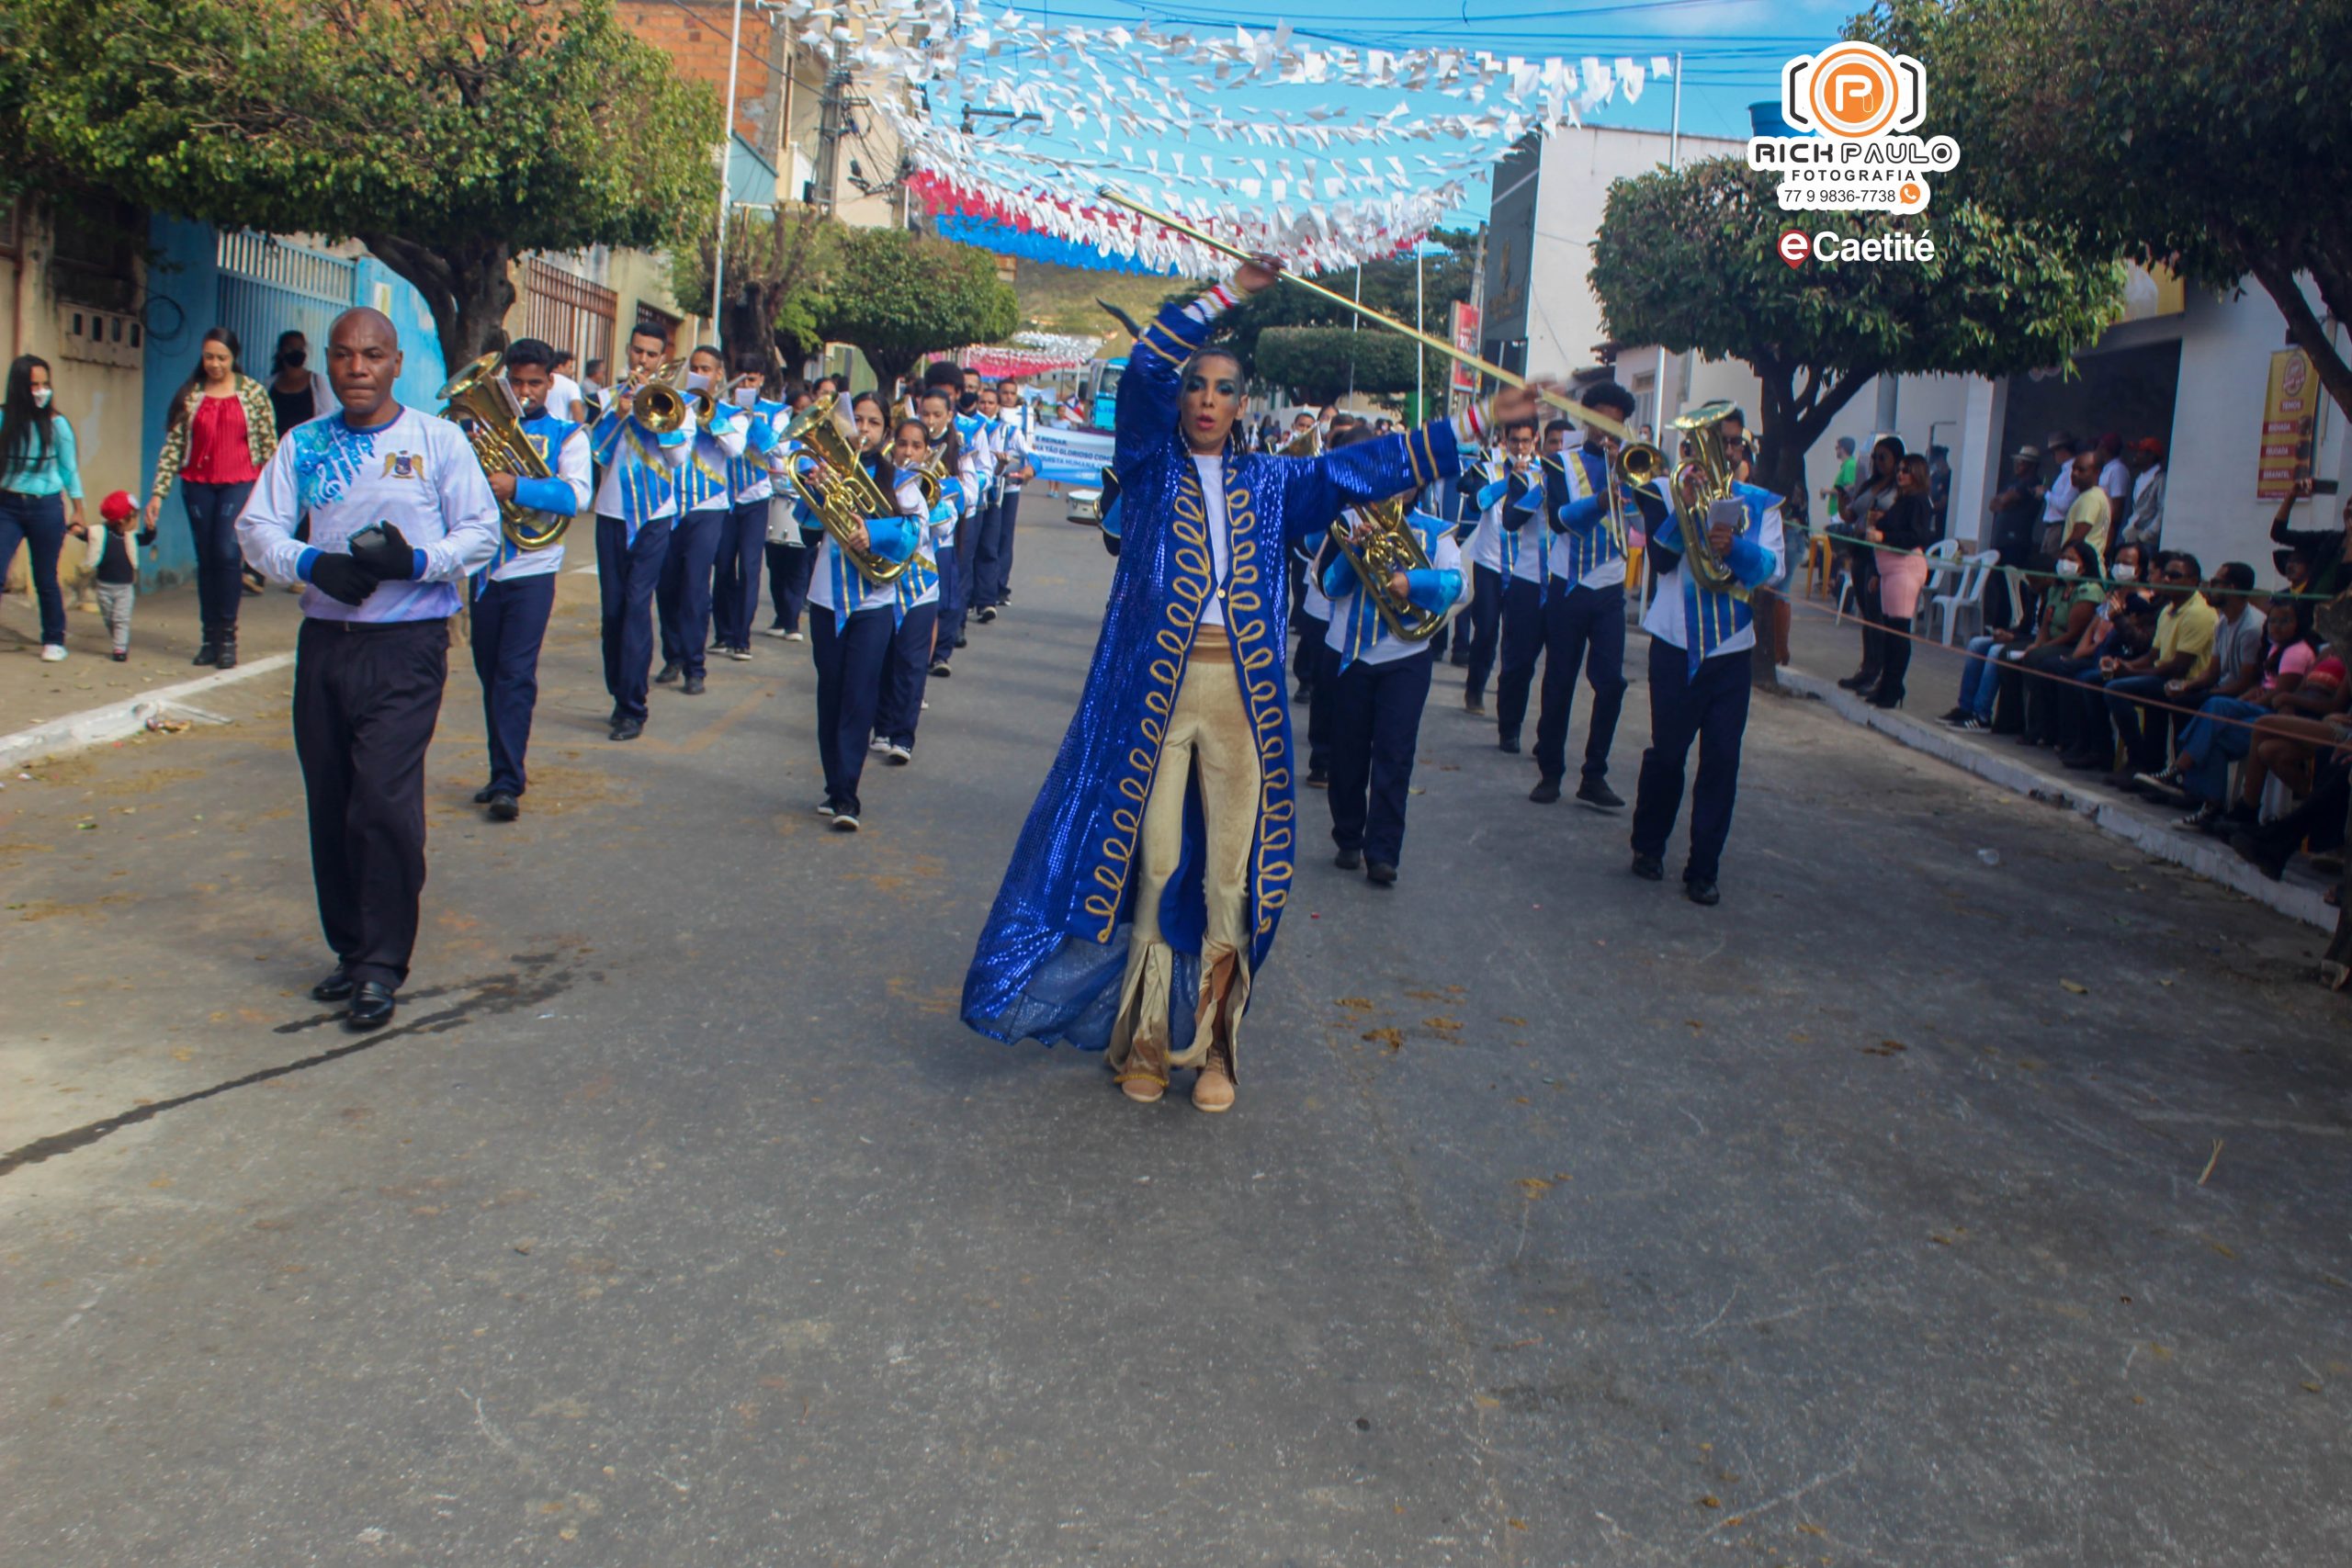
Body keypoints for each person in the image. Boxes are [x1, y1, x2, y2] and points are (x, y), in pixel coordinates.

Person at [962, 259, 1538, 1114]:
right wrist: (1228, 293)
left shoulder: (1275, 486)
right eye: (1196, 385)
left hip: (1241, 700)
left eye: (1222, 389)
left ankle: (1219, 1046)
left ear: (1242, 403)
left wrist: (1482, 417)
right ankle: (1149, 1040)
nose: (1202, 398)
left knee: (1228, 880)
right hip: (1155, 703)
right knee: (1156, 868)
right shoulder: (1149, 468)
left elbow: (1372, 466)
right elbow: (1151, 364)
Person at [235, 306, 500, 1032]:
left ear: (395, 364)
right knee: (333, 800)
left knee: (382, 802)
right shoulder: (304, 443)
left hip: (406, 647)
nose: (358, 368)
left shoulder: (437, 440)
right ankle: (351, 951)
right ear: (328, 362)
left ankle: (384, 964)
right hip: (325, 643)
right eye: (345, 356)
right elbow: (256, 529)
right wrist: (311, 562)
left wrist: (417, 562)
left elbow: (483, 530)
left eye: (373, 355)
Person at [1627, 447, 1786, 906]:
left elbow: (1770, 571)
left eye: (1729, 445)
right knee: (1668, 755)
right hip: (1675, 643)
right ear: (1685, 454)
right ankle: (1649, 847)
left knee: (1721, 760)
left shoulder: (1760, 503)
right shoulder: (1664, 490)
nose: (1721, 454)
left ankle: (1704, 868)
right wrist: (1686, 506)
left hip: (1732, 649)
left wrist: (1734, 546)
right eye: (1704, 446)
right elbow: (1660, 561)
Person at [465, 338, 591, 822]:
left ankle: (507, 781)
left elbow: (577, 496)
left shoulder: (569, 435)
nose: (524, 391)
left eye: (534, 383)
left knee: (515, 676)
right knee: (489, 674)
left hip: (533, 569)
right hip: (484, 568)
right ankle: (502, 768)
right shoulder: (479, 431)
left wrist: (515, 485)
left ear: (550, 383)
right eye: (515, 382)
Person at [1319, 476, 1465, 884]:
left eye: (1401, 484)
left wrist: (1413, 582)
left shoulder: (1436, 531)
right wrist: (1354, 551)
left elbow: (1459, 584)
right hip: (1351, 654)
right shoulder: (1347, 522)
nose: (1390, 493)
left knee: (1394, 754)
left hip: (1407, 657)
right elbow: (1329, 586)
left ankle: (1383, 851)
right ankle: (1348, 836)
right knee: (1347, 753)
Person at [795, 392, 920, 829]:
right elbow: (808, 529)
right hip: (826, 598)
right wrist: (812, 488)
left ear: (886, 431)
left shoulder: (901, 480)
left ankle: (847, 794)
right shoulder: (829, 468)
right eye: (857, 421)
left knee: (858, 696)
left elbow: (913, 535)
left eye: (873, 422)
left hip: (873, 602)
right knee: (829, 693)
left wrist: (874, 533)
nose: (863, 430)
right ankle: (834, 786)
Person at [1530, 380, 1638, 808]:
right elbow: (1559, 521)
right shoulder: (1560, 464)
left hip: (1610, 586)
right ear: (1585, 419)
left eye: (1615, 422)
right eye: (1598, 420)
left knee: (1611, 682)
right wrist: (1602, 498)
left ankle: (1594, 774)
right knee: (1559, 680)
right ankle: (1550, 772)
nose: (1606, 430)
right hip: (1568, 584)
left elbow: (1645, 529)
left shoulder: (1633, 466)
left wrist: (1628, 480)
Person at [146, 327, 277, 668]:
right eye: (209, 357)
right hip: (198, 484)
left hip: (240, 481)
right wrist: (157, 494)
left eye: (222, 358)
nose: (215, 364)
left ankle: (229, 637)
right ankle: (210, 638)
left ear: (234, 358)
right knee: (206, 560)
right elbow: (174, 445)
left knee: (226, 552)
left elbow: (268, 445)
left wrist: (271, 493)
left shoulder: (254, 394)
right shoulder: (191, 394)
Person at [589, 321, 690, 739]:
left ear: (662, 358)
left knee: (635, 606)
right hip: (612, 513)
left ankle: (634, 707)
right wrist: (618, 415)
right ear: (628, 352)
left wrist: (656, 420)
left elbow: (680, 457)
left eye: (651, 354)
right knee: (612, 611)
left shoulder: (675, 401)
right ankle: (619, 693)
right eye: (638, 353)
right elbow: (597, 452)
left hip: (654, 516)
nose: (643, 361)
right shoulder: (608, 398)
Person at [2156, 593, 2312, 828]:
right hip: (2258, 710)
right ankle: (2211, 805)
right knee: (2215, 740)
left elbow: (2278, 696)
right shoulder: (2275, 649)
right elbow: (2262, 687)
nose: (2276, 627)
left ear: (2298, 624)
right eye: (2273, 621)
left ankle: (2179, 769)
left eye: (2285, 621)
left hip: (2277, 719)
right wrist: (2246, 700)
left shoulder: (2296, 652)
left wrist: (2242, 705)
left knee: (2217, 704)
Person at [652, 344, 749, 697]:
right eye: (694, 367)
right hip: (667, 505)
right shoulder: (671, 402)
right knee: (666, 586)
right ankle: (673, 655)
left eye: (706, 368)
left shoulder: (732, 413)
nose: (699, 373)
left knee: (695, 587)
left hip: (708, 507)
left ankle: (695, 666)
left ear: (718, 374)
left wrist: (710, 418)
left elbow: (736, 449)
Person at [872, 416, 956, 764]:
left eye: (916, 446)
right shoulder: (880, 479)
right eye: (902, 444)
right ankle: (882, 726)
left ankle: (903, 736)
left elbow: (946, 525)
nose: (908, 452)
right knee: (883, 658)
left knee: (911, 660)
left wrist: (929, 497)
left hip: (921, 586)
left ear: (926, 451)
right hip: (883, 581)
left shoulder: (934, 482)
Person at [2093, 550, 2215, 788]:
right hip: (2163, 677)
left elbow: (2177, 667)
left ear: (2193, 581)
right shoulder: (2168, 611)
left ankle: (2139, 759)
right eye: (2166, 574)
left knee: (2116, 690)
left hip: (2187, 683)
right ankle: (2146, 764)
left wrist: (2129, 673)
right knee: (2103, 680)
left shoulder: (2198, 613)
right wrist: (2123, 665)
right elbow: (2153, 656)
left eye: (2175, 575)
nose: (2167, 579)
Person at [0, 355, 85, 662]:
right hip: (8, 505)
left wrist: (78, 509)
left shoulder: (57, 424)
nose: (40, 390)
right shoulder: (4, 419)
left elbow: (69, 469)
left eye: (45, 384)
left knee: (45, 577)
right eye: (34, 384)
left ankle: (53, 638)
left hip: (46, 507)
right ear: (20, 387)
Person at [711, 355, 785, 663]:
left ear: (762, 381)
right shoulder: (721, 409)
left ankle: (742, 638)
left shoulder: (775, 412)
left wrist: (755, 421)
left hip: (756, 497)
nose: (747, 385)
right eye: (742, 379)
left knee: (750, 568)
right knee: (723, 566)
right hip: (726, 497)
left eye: (752, 380)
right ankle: (723, 634)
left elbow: (779, 450)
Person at [1461, 418, 1535, 716]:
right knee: (1487, 629)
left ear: (1534, 441)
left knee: (1516, 638)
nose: (1520, 447)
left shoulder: (1543, 473)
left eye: (1525, 441)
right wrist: (1509, 481)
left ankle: (1507, 702)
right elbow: (1475, 503)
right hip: (1490, 561)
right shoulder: (1487, 468)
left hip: (1525, 567)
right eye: (1514, 440)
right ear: (1505, 439)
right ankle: (1474, 689)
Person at [1491, 416, 1556, 752]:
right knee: (1518, 663)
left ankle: (1548, 741)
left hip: (1562, 584)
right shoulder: (1525, 477)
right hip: (1527, 580)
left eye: (1563, 444)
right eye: (1553, 444)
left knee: (1559, 671)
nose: (1521, 446)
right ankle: (1509, 727)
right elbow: (1511, 519)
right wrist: (1540, 490)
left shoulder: (1579, 481)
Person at [1861, 452, 1939, 709]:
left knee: (1898, 631)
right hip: (1888, 568)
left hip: (1904, 567)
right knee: (1889, 629)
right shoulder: (1903, 499)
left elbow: (1916, 536)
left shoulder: (1919, 501)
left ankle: (1893, 687)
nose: (1901, 474)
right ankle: (1887, 683)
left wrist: (1884, 537)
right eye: (1900, 469)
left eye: (1906, 470)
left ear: (1917, 474)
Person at [1835, 435, 1904, 694]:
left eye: (1883, 457)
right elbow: (1850, 514)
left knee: (1877, 614)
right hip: (1861, 550)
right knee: (1866, 612)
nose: (1878, 462)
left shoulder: (1897, 491)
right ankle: (1867, 666)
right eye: (1875, 457)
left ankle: (1879, 671)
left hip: (1880, 554)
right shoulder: (1870, 486)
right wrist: (1843, 499)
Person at [974, 376, 1035, 620]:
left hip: (1000, 494)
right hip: (972, 498)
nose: (986, 407)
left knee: (994, 543)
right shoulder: (967, 428)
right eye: (982, 402)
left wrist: (1031, 469)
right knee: (970, 549)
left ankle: (990, 597)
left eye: (991, 403)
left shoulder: (1009, 430)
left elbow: (1034, 457)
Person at [72, 489, 152, 660]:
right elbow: (86, 535)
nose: (136, 521)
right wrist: (76, 530)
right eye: (134, 517)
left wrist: (151, 530)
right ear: (122, 520)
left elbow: (146, 539)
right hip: (103, 588)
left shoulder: (131, 537)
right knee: (109, 619)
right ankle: (118, 640)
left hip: (124, 588)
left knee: (121, 618)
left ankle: (119, 649)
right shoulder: (100, 534)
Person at [2268, 477, 2352, 600]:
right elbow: (2279, 534)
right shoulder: (2331, 538)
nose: (2350, 510)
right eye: (2349, 505)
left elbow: (2343, 578)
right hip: (2309, 611)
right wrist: (2292, 496)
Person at [264, 330, 334, 438]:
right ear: (281, 352)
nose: (296, 352)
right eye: (291, 348)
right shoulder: (269, 384)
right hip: (276, 448)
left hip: (307, 449)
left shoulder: (317, 382)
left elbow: (327, 418)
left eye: (300, 348)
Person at [2035, 433, 2080, 567]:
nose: (2053, 456)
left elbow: (2065, 505)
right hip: (2052, 527)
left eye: (2054, 452)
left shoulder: (2073, 471)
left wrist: (2046, 493)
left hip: (2059, 526)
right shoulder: (2064, 472)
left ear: (2062, 450)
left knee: (2050, 566)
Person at [2060, 447, 2112, 563]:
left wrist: (2061, 559)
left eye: (2081, 470)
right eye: (2073, 469)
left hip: (2080, 566)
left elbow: (2077, 538)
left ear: (2097, 472)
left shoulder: (2090, 498)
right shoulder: (2100, 495)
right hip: (2090, 565)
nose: (2074, 473)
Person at [2122, 438, 2165, 551]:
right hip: (2132, 534)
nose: (2135, 455)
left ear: (2151, 456)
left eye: (2139, 452)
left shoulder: (2160, 479)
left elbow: (2162, 509)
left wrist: (2147, 535)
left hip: (2147, 541)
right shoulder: (2140, 477)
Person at [2094, 432, 2132, 525]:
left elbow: (2117, 508)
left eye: (2097, 447)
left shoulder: (2117, 470)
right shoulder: (2108, 468)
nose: (2095, 451)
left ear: (2104, 449)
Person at [547, 350, 587, 425]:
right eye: (570, 367)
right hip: (562, 431)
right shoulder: (571, 385)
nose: (572, 372)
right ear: (560, 366)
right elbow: (578, 417)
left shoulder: (541, 381)